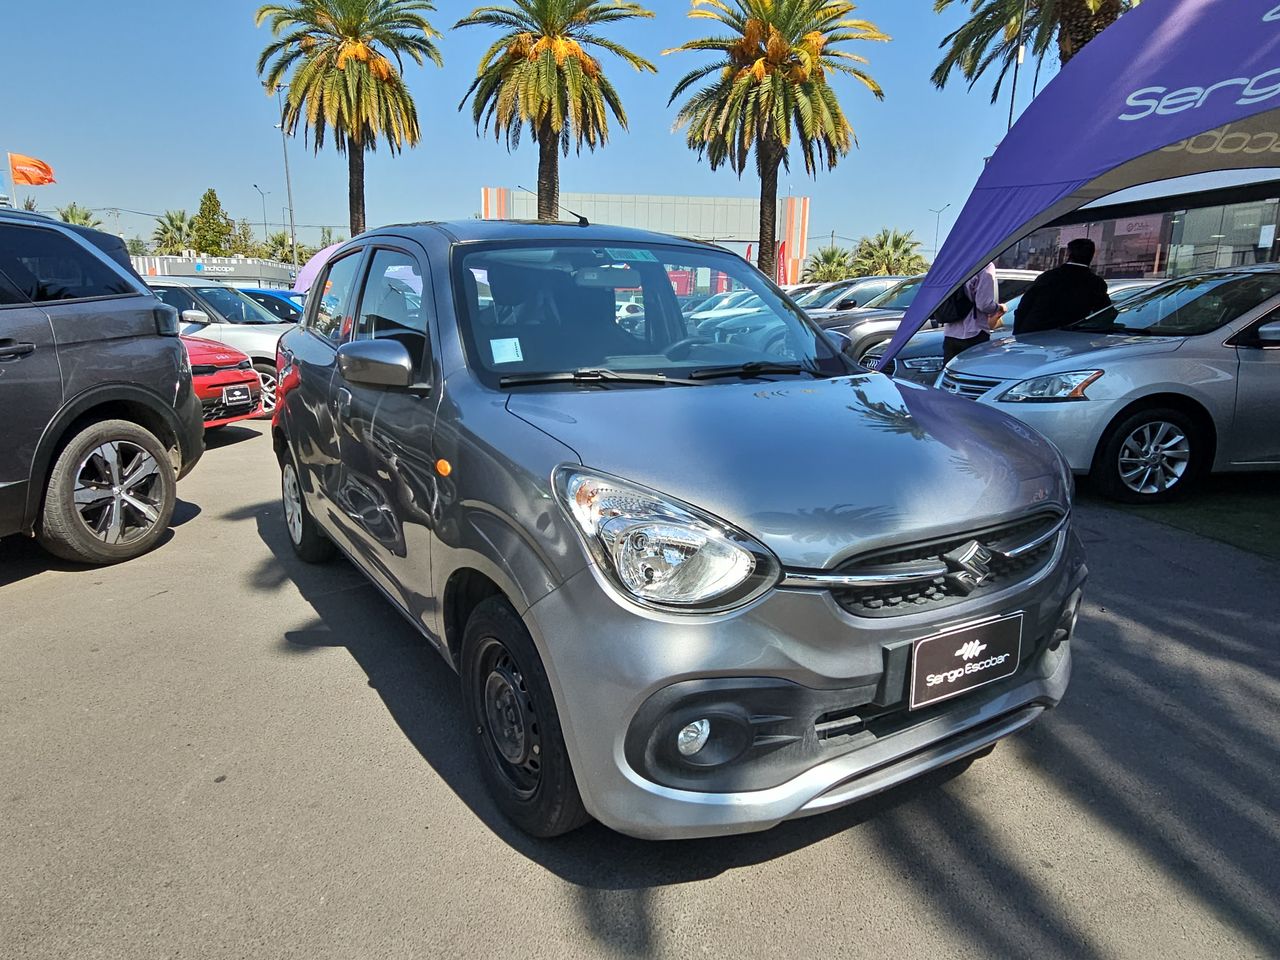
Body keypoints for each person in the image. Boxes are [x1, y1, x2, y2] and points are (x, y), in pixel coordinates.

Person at [1014, 238, 1112, 335]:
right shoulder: (1095, 283)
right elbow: (1105, 313)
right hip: (1069, 338)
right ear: (1092, 256)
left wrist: (1019, 332)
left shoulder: (1048, 277)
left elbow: (1024, 306)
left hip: (1033, 334)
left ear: (1068, 254)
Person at [942, 262, 1006, 364]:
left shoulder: (955, 265)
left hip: (951, 332)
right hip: (974, 333)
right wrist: (999, 307)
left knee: (949, 373)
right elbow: (984, 305)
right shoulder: (985, 265)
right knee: (972, 374)